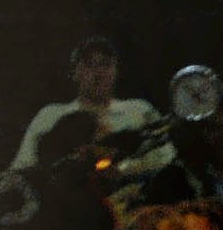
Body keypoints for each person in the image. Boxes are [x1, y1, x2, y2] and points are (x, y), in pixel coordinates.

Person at [13, 36, 163, 178]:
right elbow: (20, 169)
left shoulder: (140, 110)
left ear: (116, 71)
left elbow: (166, 160)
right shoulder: (51, 115)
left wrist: (125, 171)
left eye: (106, 64)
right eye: (89, 65)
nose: (98, 73)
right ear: (75, 72)